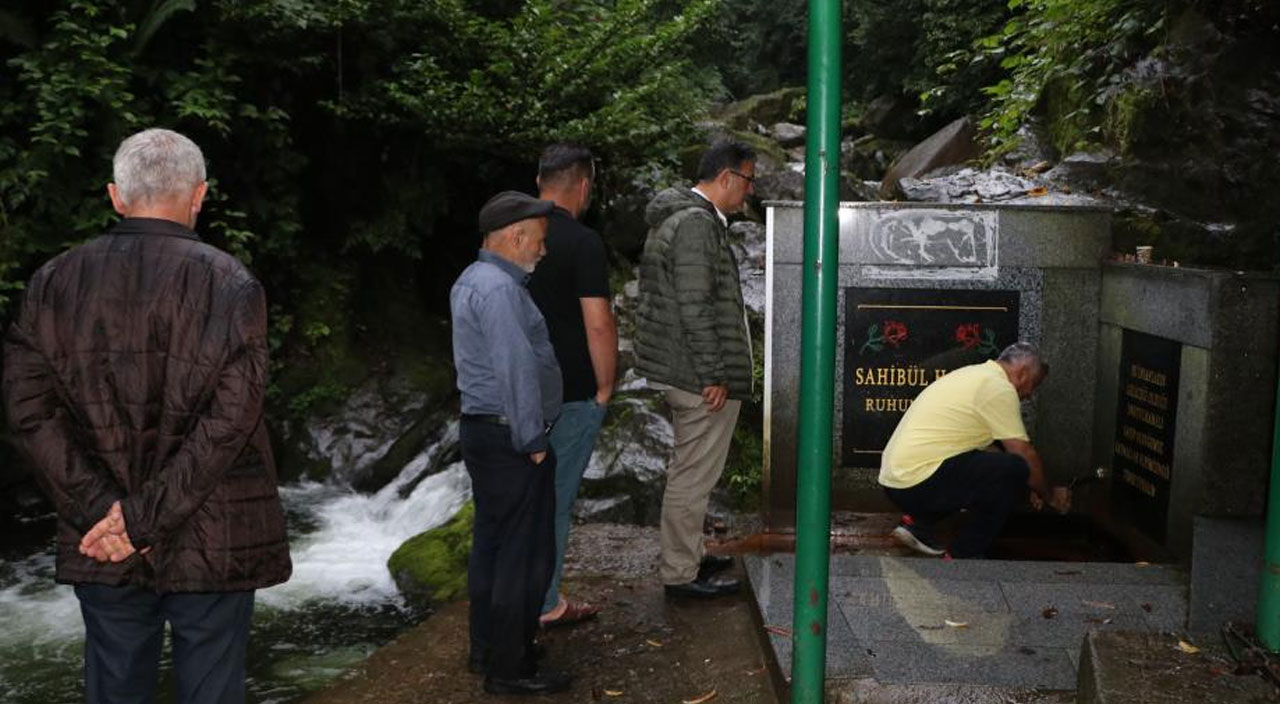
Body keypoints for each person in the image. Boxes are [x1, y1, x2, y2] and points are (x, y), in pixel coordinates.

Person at [2, 128, 291, 703]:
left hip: (100, 535)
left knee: (114, 690)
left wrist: (112, 518)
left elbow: (27, 412)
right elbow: (230, 421)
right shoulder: (231, 283)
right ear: (199, 195)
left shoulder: (52, 281)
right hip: (212, 531)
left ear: (115, 195)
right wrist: (142, 521)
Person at [451, 190, 571, 696]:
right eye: (539, 242)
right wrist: (532, 438)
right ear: (515, 237)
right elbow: (515, 368)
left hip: (486, 431)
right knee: (524, 556)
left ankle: (489, 648)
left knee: (493, 549)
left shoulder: (473, 280)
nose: (542, 251)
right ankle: (512, 667)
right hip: (510, 436)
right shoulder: (499, 290)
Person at [634, 140, 756, 598]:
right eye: (748, 180)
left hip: (681, 368)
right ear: (726, 177)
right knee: (692, 474)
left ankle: (688, 555)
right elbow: (695, 305)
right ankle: (680, 574)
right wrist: (713, 374)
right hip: (695, 375)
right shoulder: (695, 225)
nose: (749, 192)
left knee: (690, 469)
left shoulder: (683, 218)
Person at [527, 144, 617, 627]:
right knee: (556, 502)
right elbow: (597, 324)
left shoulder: (507, 236)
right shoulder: (582, 243)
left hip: (514, 395)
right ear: (583, 186)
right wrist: (604, 388)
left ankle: (509, 597)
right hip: (568, 393)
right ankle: (545, 604)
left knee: (516, 502)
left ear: (539, 180)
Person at [879, 341, 1072, 559]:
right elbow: (1023, 454)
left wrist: (1032, 485)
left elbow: (988, 458)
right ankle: (963, 554)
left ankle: (917, 524)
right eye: (1034, 386)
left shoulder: (975, 375)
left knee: (1005, 470)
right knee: (1015, 468)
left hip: (897, 480)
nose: (1029, 395)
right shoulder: (998, 388)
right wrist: (1049, 495)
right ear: (1024, 373)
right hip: (915, 482)